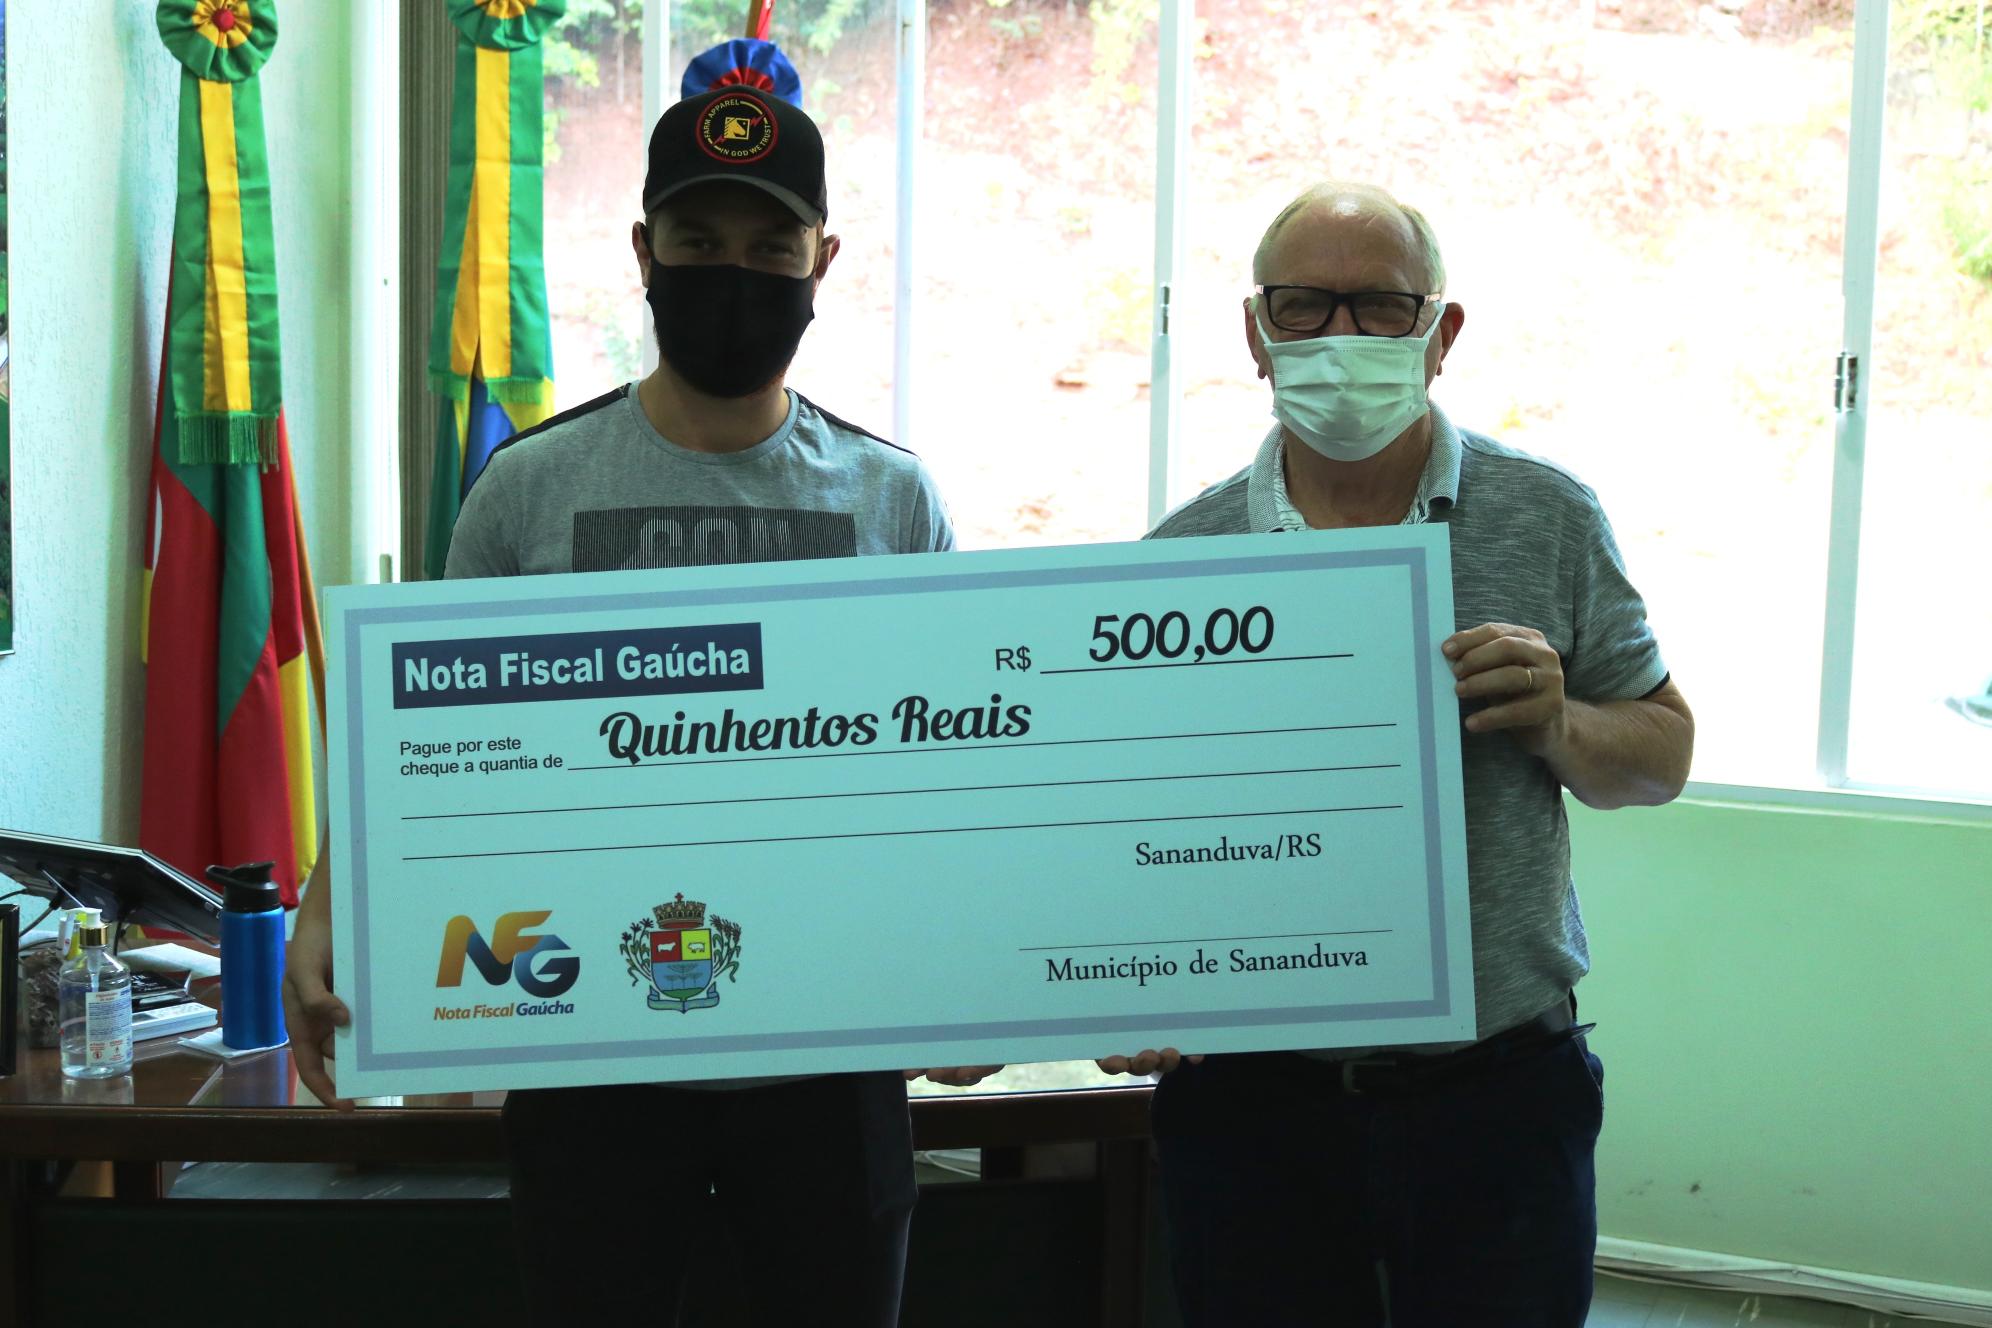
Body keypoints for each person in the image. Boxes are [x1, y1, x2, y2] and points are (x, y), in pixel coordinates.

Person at [282, 85, 967, 1325]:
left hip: (830, 1067)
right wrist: (331, 907)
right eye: (699, 243)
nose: (734, 276)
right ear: (644, 252)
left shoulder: (895, 499)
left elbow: (949, 776)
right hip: (591, 1054)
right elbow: (432, 743)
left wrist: (985, 963)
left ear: (823, 262)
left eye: (770, 248)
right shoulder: (525, 488)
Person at [1099, 182, 1696, 1327]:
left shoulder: (1547, 515)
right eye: (1302, 304)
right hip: (1252, 1107)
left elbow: (1661, 756)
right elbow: (1133, 827)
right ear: (1256, 333)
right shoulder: (1179, 557)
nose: (1341, 336)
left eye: (1380, 305)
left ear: (1441, 331)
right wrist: (1132, 976)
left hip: (1497, 1094)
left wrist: (1561, 722)